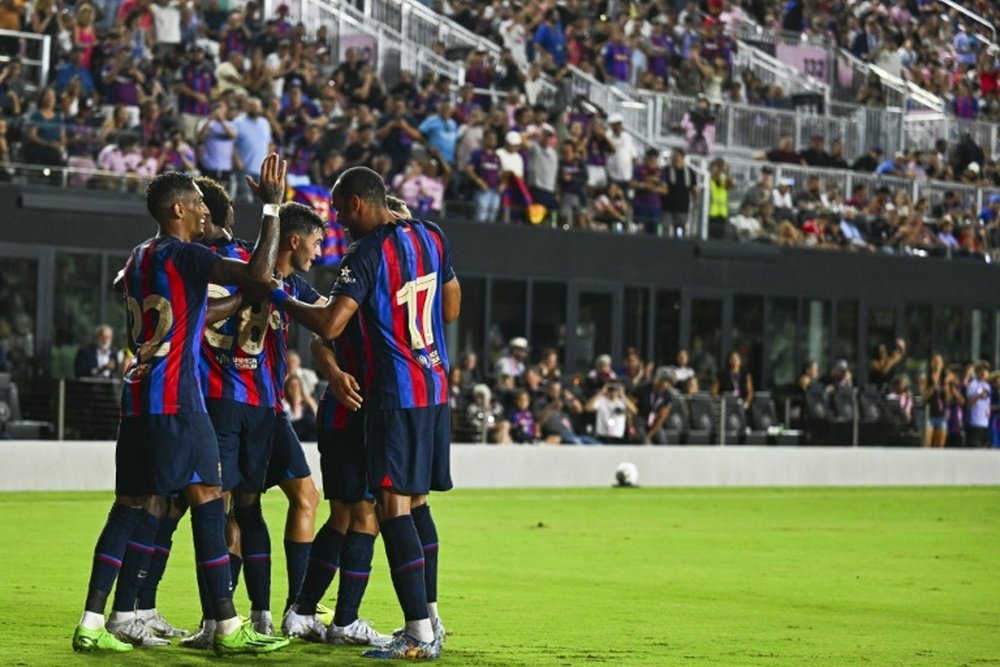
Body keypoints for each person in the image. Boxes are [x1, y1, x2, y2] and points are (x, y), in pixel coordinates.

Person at [72, 157, 289, 655]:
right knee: (211, 500)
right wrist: (272, 207)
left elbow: (157, 302)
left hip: (139, 397)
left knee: (128, 507)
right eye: (195, 204)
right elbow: (258, 275)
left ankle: (92, 622)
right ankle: (229, 630)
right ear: (176, 208)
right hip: (180, 401)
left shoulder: (138, 257)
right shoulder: (183, 255)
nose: (202, 214)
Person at [272, 166, 461, 659]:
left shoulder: (366, 252)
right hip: (434, 385)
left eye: (338, 211)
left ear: (357, 204)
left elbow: (330, 324)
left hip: (393, 394)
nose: (336, 222)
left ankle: (418, 632)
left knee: (390, 508)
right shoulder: (432, 236)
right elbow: (452, 307)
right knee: (410, 505)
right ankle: (428, 620)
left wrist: (277, 295)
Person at [921, 354, 947, 448]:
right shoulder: (926, 377)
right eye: (935, 362)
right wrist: (933, 386)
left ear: (942, 364)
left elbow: (948, 398)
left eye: (939, 362)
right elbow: (924, 396)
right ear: (931, 364)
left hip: (942, 415)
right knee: (927, 445)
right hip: (929, 415)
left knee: (939, 446)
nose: (937, 364)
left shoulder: (945, 378)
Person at [965, 362, 992, 448]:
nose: (984, 373)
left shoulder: (988, 386)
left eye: (986, 371)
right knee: (975, 448)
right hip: (975, 422)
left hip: (986, 423)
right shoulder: (973, 384)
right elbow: (968, 402)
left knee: (984, 448)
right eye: (981, 371)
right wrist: (978, 396)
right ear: (977, 372)